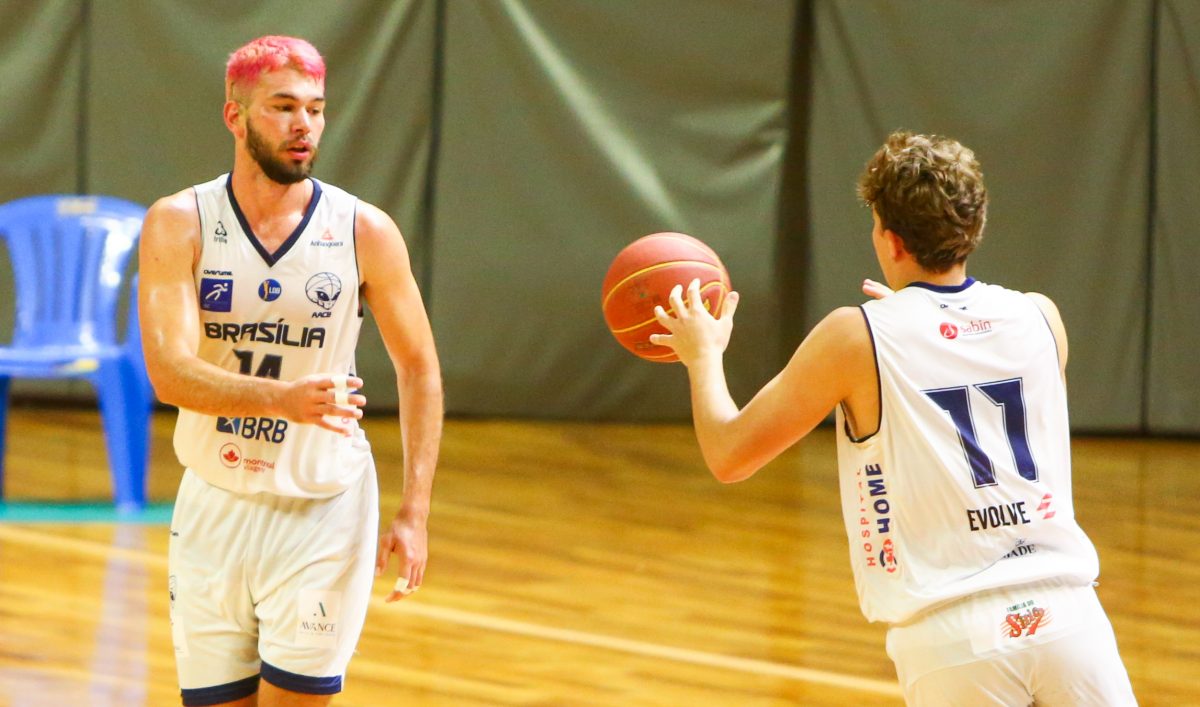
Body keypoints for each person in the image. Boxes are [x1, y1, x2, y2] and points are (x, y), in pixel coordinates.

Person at [651, 131, 1136, 705]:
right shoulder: (1041, 316)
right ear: (974, 225)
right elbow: (973, 364)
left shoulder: (852, 338)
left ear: (892, 240)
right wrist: (912, 330)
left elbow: (730, 454)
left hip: (954, 639)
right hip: (1071, 621)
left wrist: (703, 356)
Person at [139, 35, 443, 707]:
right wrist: (283, 399)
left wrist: (414, 511)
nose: (304, 124)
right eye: (282, 107)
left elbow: (419, 368)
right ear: (235, 115)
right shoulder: (179, 222)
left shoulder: (364, 230)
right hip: (213, 503)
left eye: (316, 108)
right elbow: (169, 373)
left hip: (323, 507)